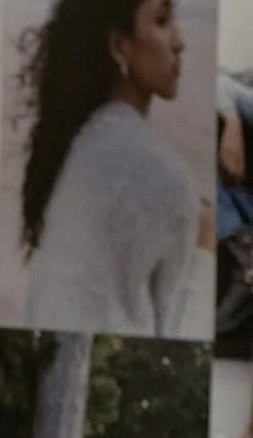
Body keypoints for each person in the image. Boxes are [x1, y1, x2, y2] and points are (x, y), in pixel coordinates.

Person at [18, 0, 213, 337]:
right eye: (162, 20)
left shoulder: (73, 149)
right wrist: (205, 247)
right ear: (120, 46)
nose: (180, 42)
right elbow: (180, 338)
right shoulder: (165, 176)